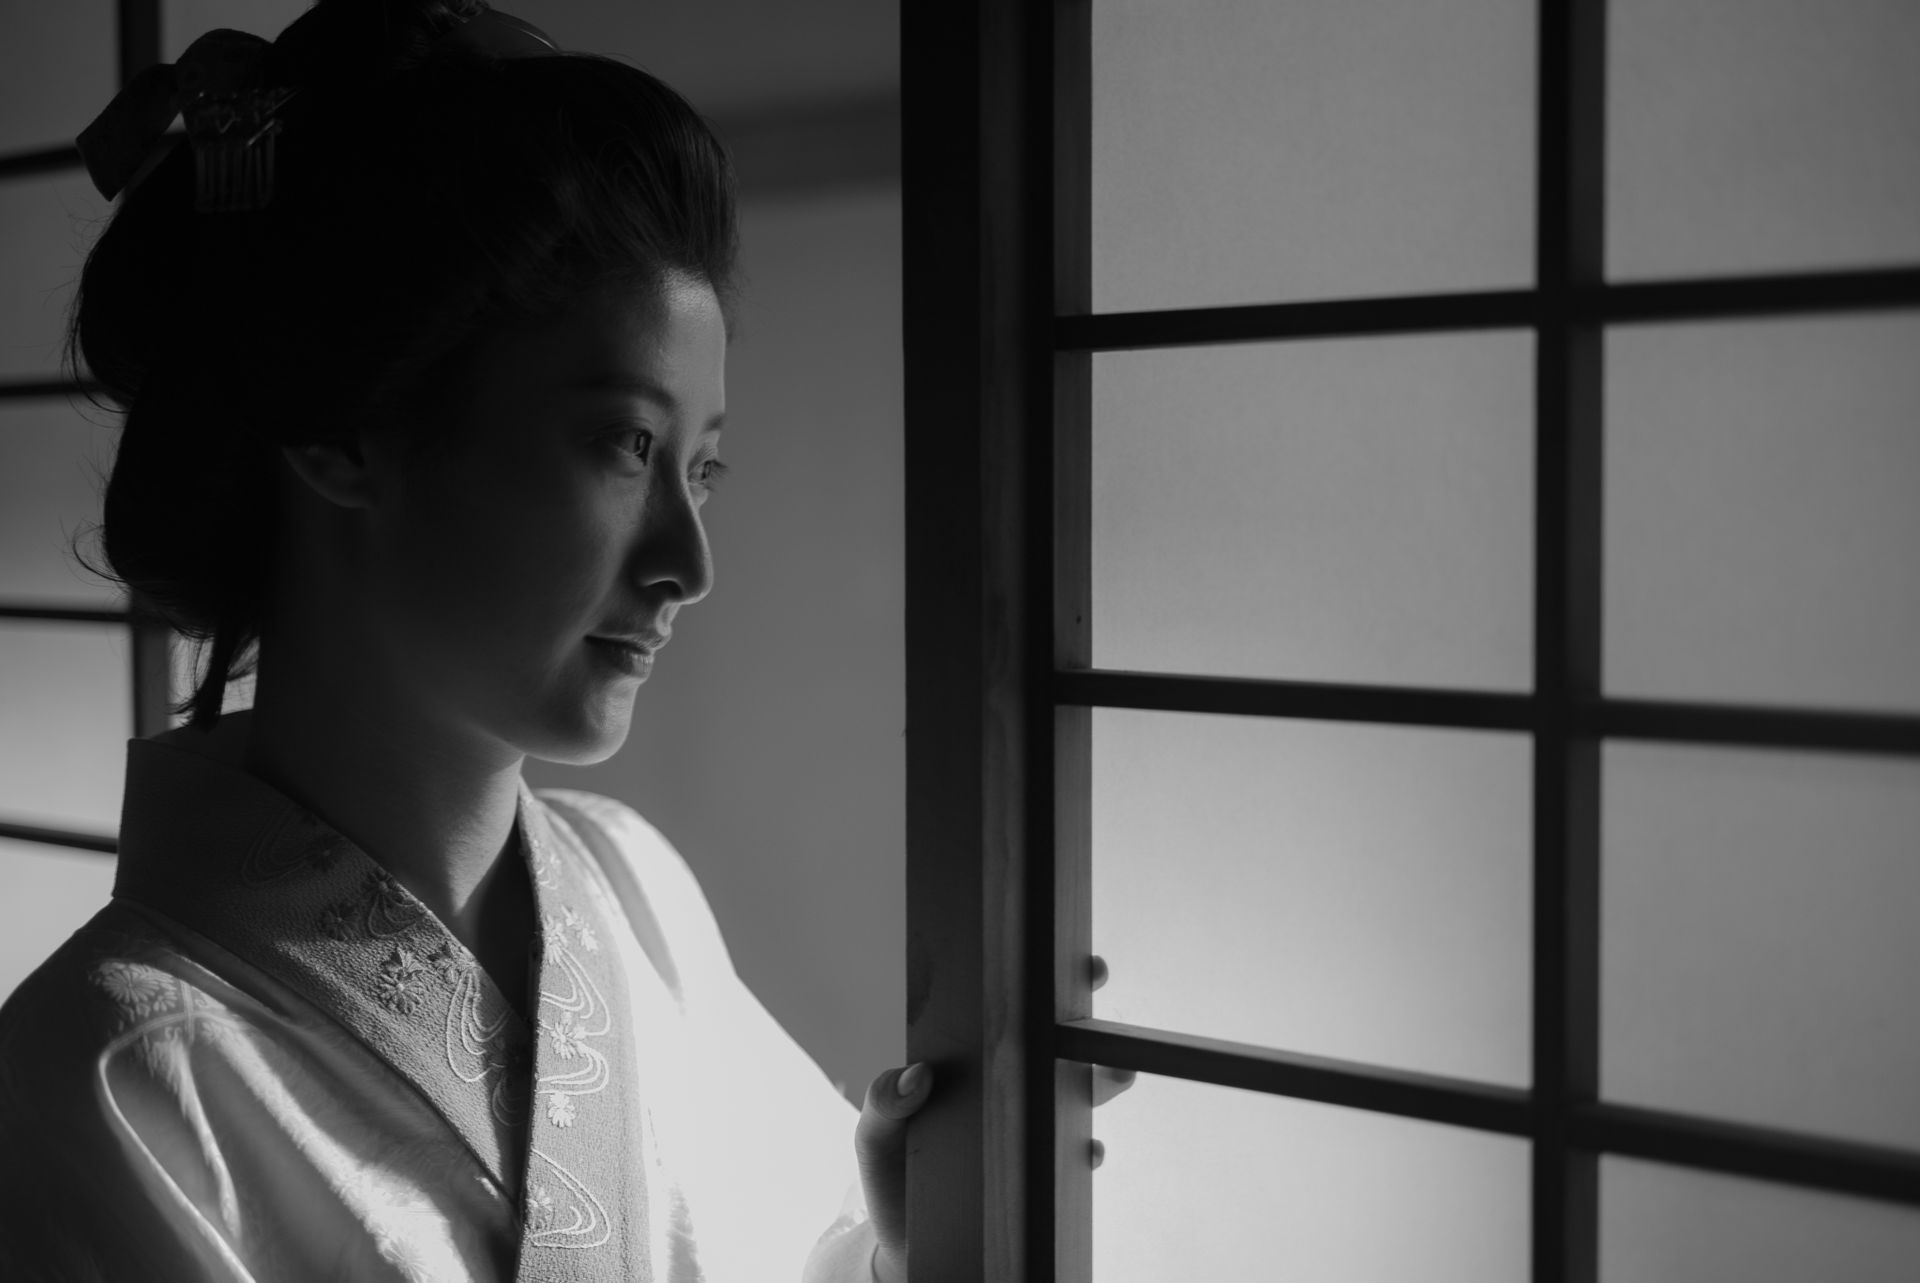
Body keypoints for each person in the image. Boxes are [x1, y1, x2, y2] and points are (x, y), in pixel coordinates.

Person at [0, 3, 934, 1278]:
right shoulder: (108, 1072)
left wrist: (911, 1235)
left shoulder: (631, 882)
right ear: (342, 427)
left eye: (704, 468)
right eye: (624, 444)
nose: (688, 562)